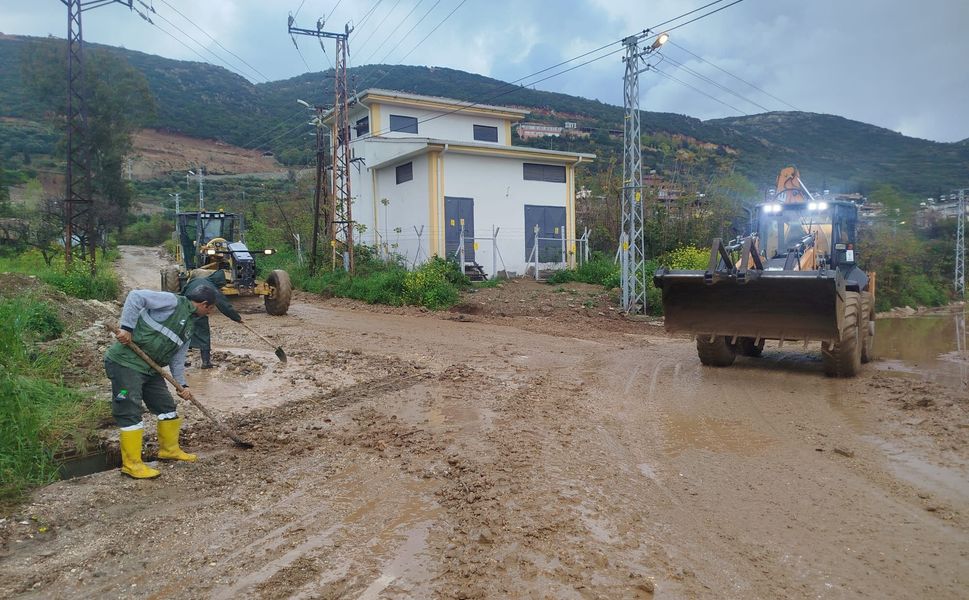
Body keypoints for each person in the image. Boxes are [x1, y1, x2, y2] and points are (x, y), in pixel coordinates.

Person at [104, 286, 215, 479]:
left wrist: (183, 386)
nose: (209, 313)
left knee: (167, 407)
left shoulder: (189, 328)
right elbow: (135, 296)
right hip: (126, 363)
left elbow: (177, 361)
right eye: (210, 308)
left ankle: (169, 450)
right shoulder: (172, 302)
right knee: (129, 408)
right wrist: (127, 328)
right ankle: (131, 464)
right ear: (204, 304)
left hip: (151, 369)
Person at [182, 270, 243, 369]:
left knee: (183, 335)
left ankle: (181, 361)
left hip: (185, 309)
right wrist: (237, 318)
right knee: (204, 334)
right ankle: (206, 362)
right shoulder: (212, 288)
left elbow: (182, 292)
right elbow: (224, 306)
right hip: (198, 311)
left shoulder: (195, 280)